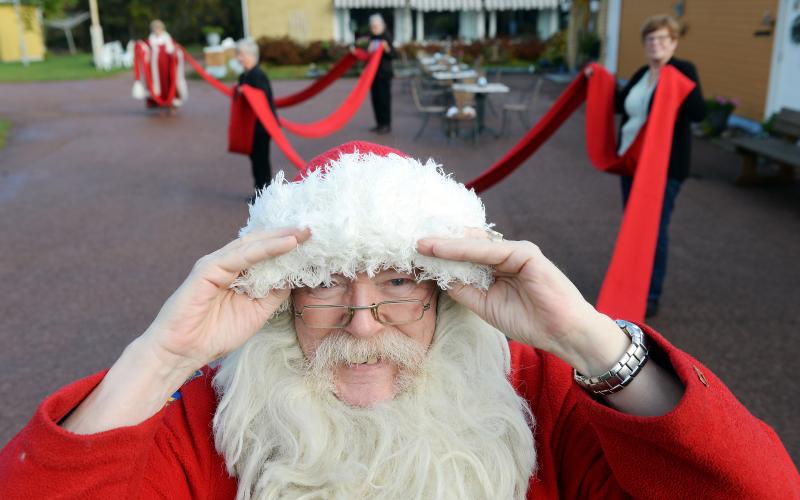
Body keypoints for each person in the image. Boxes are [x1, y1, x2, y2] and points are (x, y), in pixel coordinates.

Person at [0, 142, 796, 499]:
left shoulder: (542, 401)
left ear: (450, 291)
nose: (363, 323)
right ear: (281, 295)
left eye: (402, 284)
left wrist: (590, 339)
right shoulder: (213, 419)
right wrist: (161, 357)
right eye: (324, 284)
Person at [616, 14, 705, 317]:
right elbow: (619, 104)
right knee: (633, 227)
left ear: (674, 42)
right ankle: (631, 285)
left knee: (655, 230)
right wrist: (596, 77)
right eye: (651, 39)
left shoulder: (683, 70)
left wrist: (677, 84)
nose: (656, 44)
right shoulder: (642, 73)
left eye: (662, 39)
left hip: (664, 169)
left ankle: (651, 294)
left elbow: (698, 113)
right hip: (633, 163)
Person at [236, 38, 277, 196]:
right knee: (254, 159)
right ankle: (259, 191)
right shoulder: (244, 76)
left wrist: (245, 91)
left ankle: (265, 193)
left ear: (251, 55)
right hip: (251, 125)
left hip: (262, 126)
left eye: (241, 54)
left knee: (262, 160)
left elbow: (262, 97)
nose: (239, 58)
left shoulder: (258, 75)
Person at [357, 14, 394, 134]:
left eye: (376, 26)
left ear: (381, 25)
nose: (374, 29)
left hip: (384, 74)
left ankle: (386, 124)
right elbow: (369, 56)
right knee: (375, 99)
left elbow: (393, 55)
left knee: (384, 100)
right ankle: (379, 124)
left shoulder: (387, 37)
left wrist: (387, 48)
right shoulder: (371, 38)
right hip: (373, 74)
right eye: (372, 27)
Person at [143, 20, 188, 114]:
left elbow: (175, 50)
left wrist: (177, 51)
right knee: (158, 87)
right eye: (155, 28)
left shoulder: (168, 40)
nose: (157, 30)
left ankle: (172, 105)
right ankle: (160, 104)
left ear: (162, 29)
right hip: (156, 71)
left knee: (170, 85)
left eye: (158, 28)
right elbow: (145, 53)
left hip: (168, 69)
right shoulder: (149, 41)